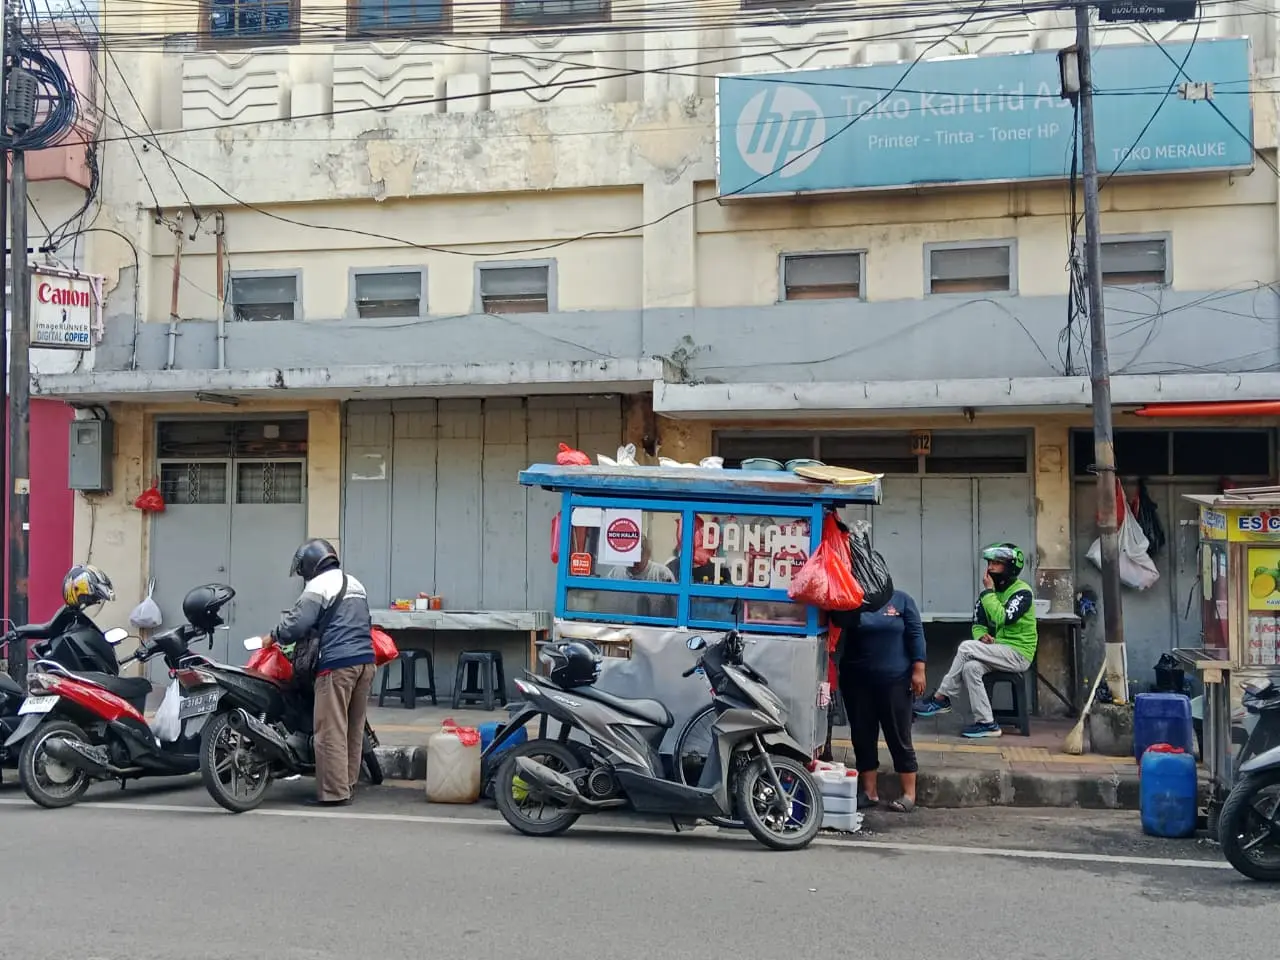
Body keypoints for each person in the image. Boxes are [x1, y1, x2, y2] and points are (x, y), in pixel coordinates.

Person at [261, 538, 375, 807]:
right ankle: (346, 785)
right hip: (365, 664)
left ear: (311, 565)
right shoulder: (355, 583)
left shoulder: (318, 586)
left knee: (330, 730)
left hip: (336, 665)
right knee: (353, 728)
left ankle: (334, 794)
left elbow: (295, 626)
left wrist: (272, 635)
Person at [914, 543, 1037, 739]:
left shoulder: (1022, 593)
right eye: (989, 563)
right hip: (998, 650)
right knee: (971, 667)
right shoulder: (988, 595)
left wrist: (988, 593)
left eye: (997, 563)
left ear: (1011, 567)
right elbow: (978, 622)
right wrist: (981, 636)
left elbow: (1003, 617)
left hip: (1018, 653)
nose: (990, 568)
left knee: (965, 647)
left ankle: (941, 697)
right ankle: (987, 723)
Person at [830, 589, 926, 812]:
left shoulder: (902, 600)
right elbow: (836, 624)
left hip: (896, 681)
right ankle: (869, 792)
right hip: (857, 681)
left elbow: (915, 633)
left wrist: (919, 668)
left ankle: (909, 794)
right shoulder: (851, 600)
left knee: (898, 735)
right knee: (862, 736)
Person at [605, 535, 676, 618]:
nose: (634, 561)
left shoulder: (662, 574)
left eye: (639, 555)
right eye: (631, 555)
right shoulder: (616, 573)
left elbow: (675, 608)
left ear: (648, 554)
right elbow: (606, 604)